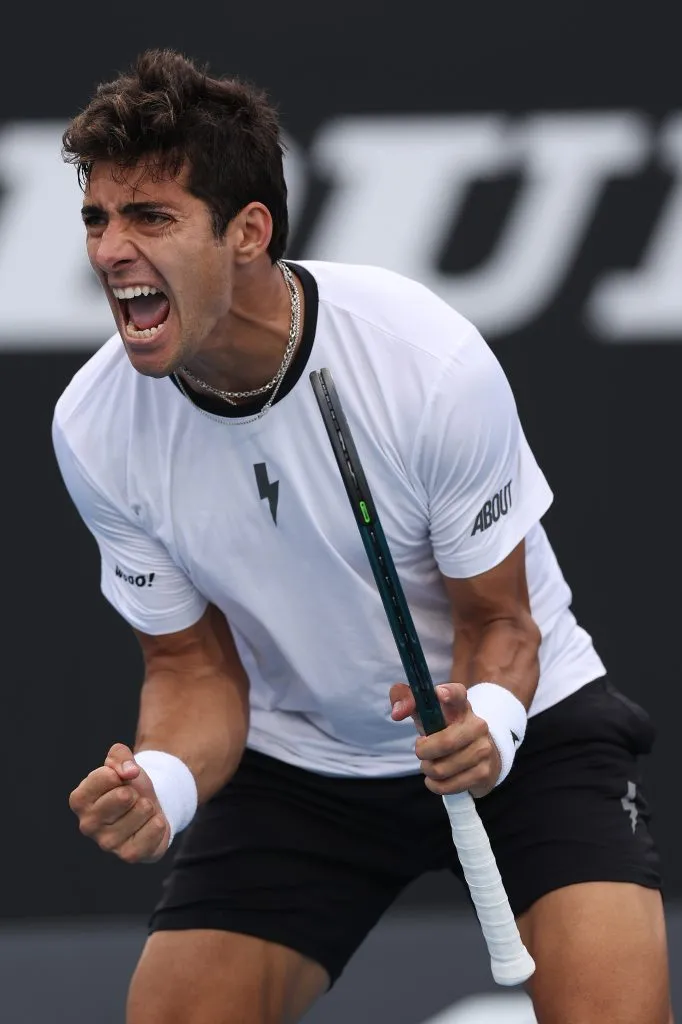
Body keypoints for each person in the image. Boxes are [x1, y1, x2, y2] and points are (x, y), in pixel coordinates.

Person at [53, 48, 671, 1024]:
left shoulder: (422, 362)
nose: (108, 250)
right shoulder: (94, 426)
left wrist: (490, 726)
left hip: (525, 736)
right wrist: (162, 783)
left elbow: (501, 622)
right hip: (301, 771)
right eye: (97, 217)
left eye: (150, 217)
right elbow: (192, 670)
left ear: (247, 231)